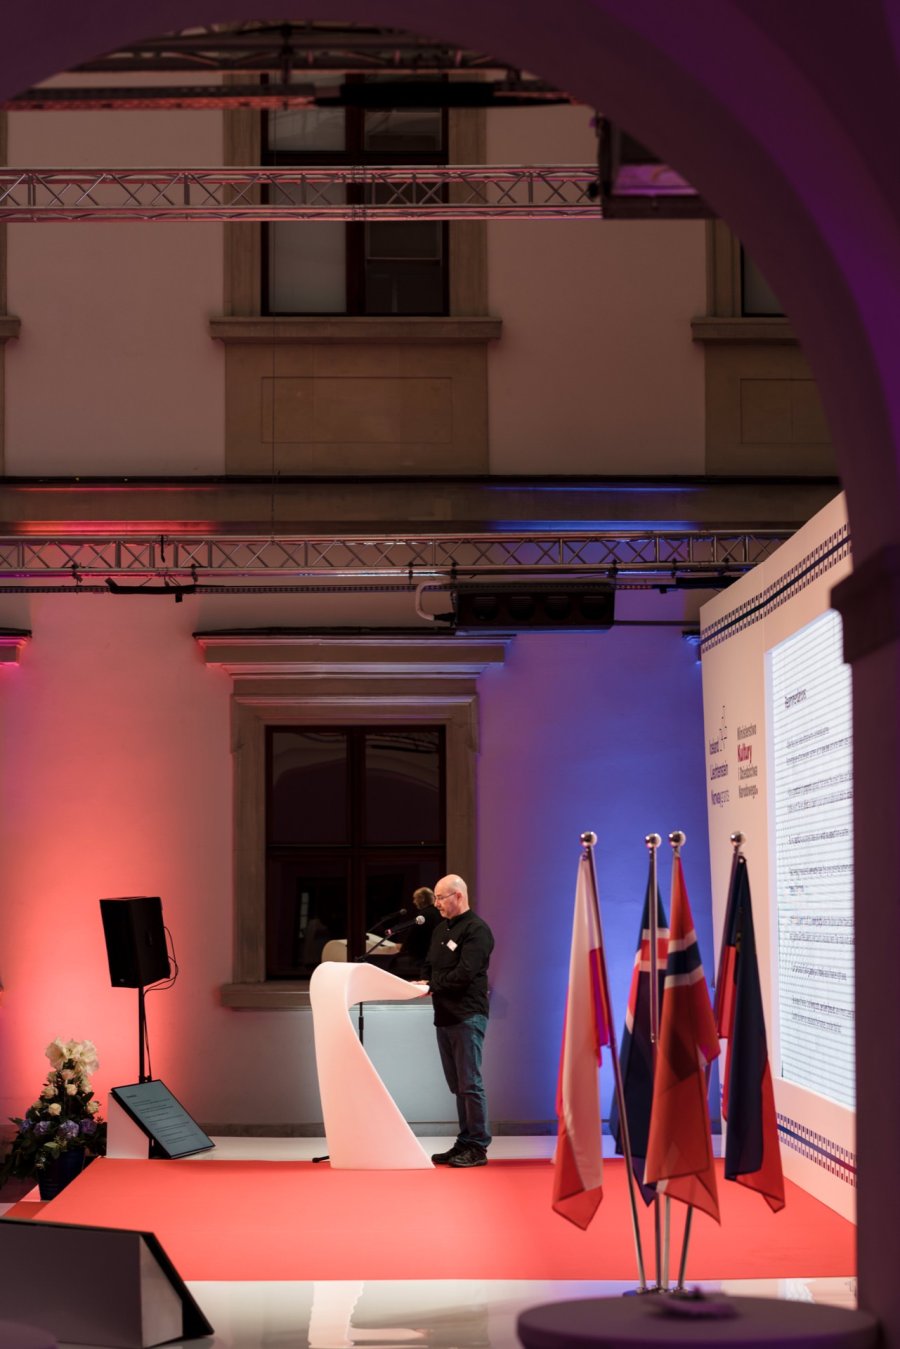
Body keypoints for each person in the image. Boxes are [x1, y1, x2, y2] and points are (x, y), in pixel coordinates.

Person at [419, 874, 494, 1169]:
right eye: (436, 898)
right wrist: (427, 980)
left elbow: (464, 973)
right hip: (445, 1015)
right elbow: (430, 963)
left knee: (470, 1083)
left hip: (467, 1015)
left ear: (458, 896)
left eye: (441, 897)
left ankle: (477, 1145)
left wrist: (434, 984)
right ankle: (464, 1141)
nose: (436, 903)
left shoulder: (477, 930)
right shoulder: (440, 929)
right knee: (457, 1085)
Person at [393, 886, 441, 978]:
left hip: (422, 959)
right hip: (435, 957)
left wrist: (402, 949)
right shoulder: (439, 913)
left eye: (415, 898)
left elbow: (412, 936)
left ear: (422, 899)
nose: (413, 902)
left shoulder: (423, 916)